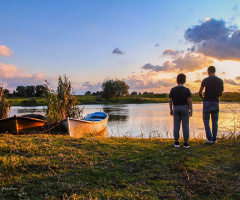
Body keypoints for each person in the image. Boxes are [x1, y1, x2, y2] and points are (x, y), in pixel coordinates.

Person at [199, 66, 224, 144]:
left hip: (206, 102)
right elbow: (221, 93)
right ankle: (214, 139)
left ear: (208, 71)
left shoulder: (205, 80)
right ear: (215, 71)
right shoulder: (220, 81)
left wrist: (202, 97)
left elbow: (200, 91)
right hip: (215, 102)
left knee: (206, 120)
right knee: (215, 121)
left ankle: (209, 138)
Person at [169, 73, 192, 148]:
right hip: (184, 108)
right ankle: (186, 143)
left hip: (176, 107)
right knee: (185, 125)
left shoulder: (173, 90)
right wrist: (191, 109)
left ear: (177, 80)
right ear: (184, 81)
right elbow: (189, 101)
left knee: (176, 125)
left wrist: (171, 109)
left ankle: (176, 142)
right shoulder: (186, 90)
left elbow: (170, 101)